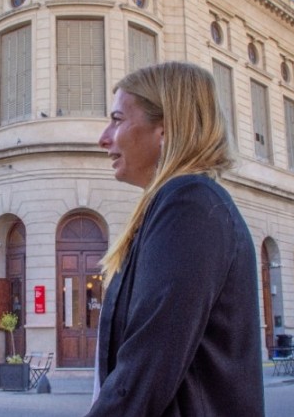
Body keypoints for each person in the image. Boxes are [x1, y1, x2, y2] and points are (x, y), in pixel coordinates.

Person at [87, 62, 264, 416]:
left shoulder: (189, 204)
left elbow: (145, 368)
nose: (104, 137)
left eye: (118, 119)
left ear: (164, 130)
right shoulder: (181, 203)